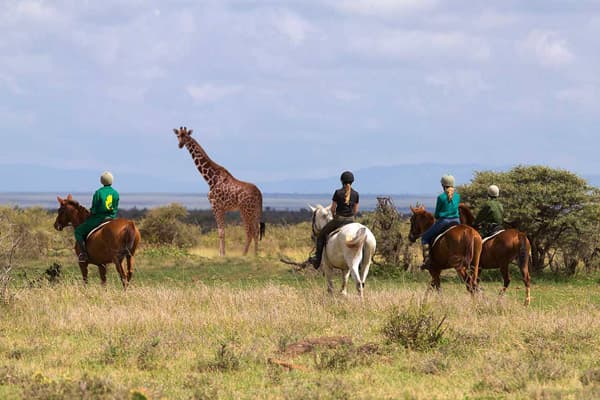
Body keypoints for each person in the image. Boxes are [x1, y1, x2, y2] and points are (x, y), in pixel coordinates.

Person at [309, 171, 359, 269]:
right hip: (351, 220)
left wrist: (334, 216)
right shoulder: (356, 194)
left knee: (321, 236)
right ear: (352, 181)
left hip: (339, 220)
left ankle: (317, 260)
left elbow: (332, 209)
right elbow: (355, 210)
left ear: (341, 181)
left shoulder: (338, 192)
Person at [74, 171, 120, 262]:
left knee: (78, 231)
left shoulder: (98, 193)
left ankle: (83, 254)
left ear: (101, 181)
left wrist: (91, 212)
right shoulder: (115, 193)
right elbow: (115, 207)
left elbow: (94, 209)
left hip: (99, 219)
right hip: (112, 218)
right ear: (112, 181)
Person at [420, 174, 461, 270]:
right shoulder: (457, 196)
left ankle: (427, 261)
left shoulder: (441, 197)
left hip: (444, 221)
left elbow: (437, 213)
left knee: (425, 237)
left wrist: (437, 217)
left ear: (443, 185)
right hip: (457, 221)